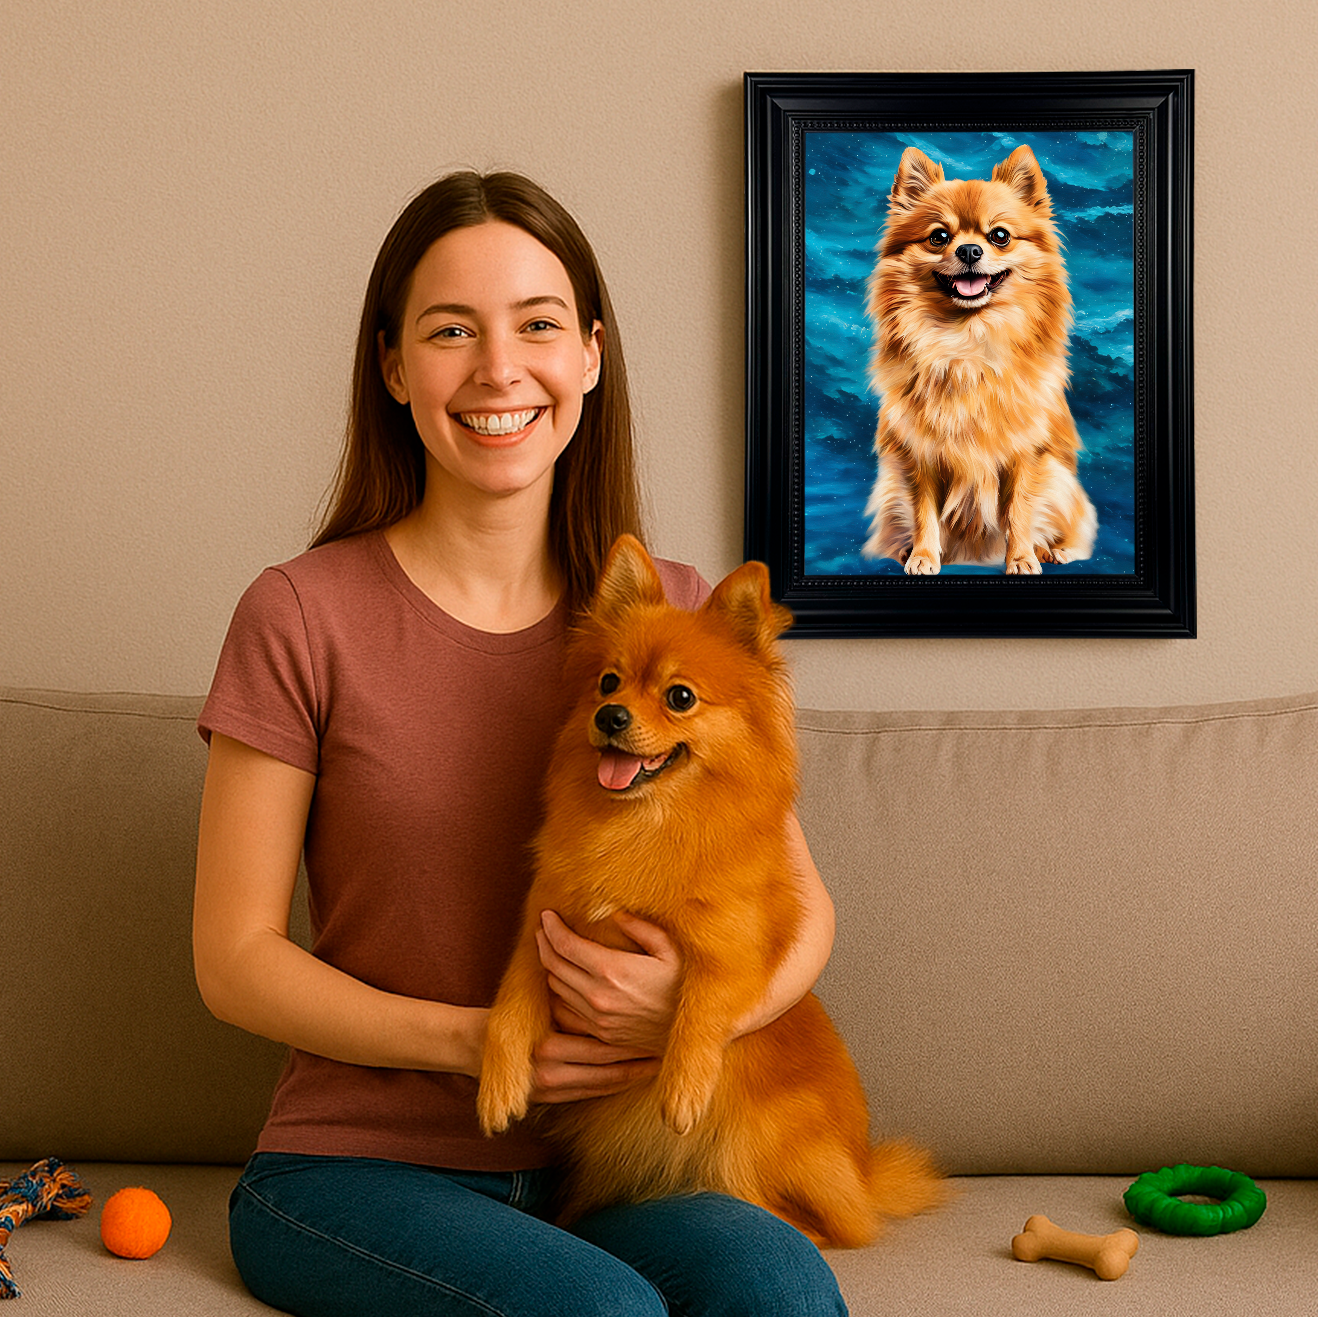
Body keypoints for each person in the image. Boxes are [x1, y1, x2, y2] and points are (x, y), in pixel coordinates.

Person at [193, 170, 847, 1316]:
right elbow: (232, 958)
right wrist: (485, 1038)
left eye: (537, 326)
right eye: (451, 332)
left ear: (588, 355)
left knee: (780, 1289)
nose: (499, 369)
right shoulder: (301, 615)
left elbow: (806, 911)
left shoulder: (676, 624)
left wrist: (695, 1016)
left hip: (608, 1161)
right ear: (394, 367)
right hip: (358, 1166)